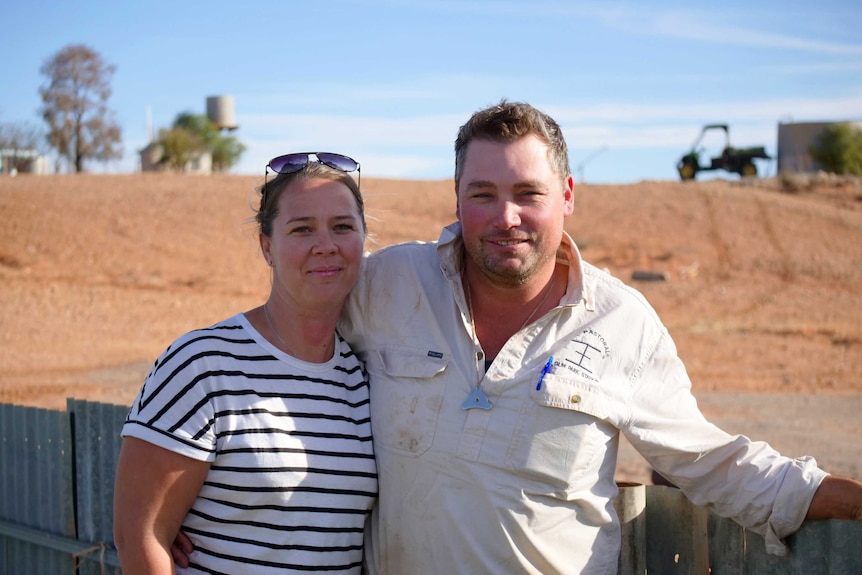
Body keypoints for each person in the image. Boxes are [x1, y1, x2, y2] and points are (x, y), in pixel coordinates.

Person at [172, 102, 862, 574]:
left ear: (567, 195)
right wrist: (182, 507)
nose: (506, 217)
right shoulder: (389, 284)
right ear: (456, 197)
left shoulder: (622, 322)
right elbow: (285, 353)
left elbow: (716, 463)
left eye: (527, 193)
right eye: (483, 193)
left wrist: (848, 495)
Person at [114, 154, 377, 574]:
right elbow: (140, 536)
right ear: (267, 246)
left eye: (342, 226)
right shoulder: (203, 364)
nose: (325, 244)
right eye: (302, 228)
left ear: (364, 240)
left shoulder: (365, 377)